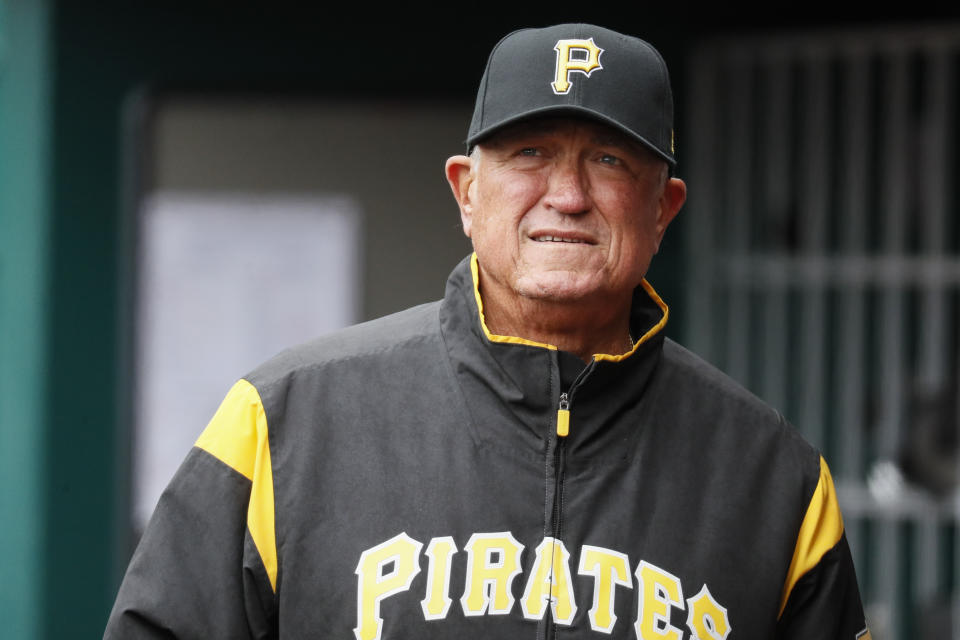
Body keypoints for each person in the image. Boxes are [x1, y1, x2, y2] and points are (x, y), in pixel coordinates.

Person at [104, 23, 870, 639]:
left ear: (662, 209)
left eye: (607, 160)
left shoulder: (776, 479)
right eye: (528, 153)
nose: (566, 195)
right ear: (467, 192)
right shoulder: (284, 421)